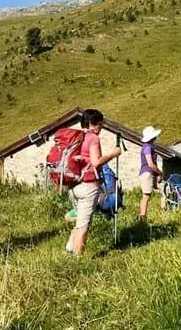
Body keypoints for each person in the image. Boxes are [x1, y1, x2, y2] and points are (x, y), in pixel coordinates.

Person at [64, 109, 123, 256]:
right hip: (88, 186)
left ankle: (69, 249)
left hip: (73, 185)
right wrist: (112, 154)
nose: (101, 128)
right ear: (93, 124)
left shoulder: (76, 137)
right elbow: (96, 162)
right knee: (84, 225)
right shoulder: (93, 138)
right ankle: (78, 261)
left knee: (80, 218)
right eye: (100, 125)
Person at [137, 126, 162, 222]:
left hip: (149, 173)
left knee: (149, 195)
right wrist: (159, 172)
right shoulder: (147, 148)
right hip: (147, 173)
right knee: (146, 196)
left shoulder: (148, 147)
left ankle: (143, 216)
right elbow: (150, 164)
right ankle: (142, 217)